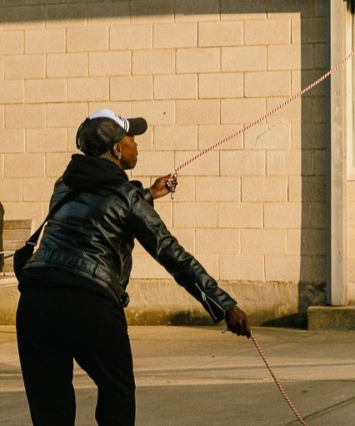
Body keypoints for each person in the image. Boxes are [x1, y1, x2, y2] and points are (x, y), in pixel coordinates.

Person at [16, 108, 251, 425]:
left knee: (51, 410)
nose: (136, 145)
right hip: (89, 303)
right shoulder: (127, 197)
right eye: (131, 138)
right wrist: (224, 305)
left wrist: (149, 194)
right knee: (118, 397)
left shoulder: (64, 185)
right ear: (116, 149)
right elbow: (171, 254)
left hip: (35, 302)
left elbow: (100, 207)